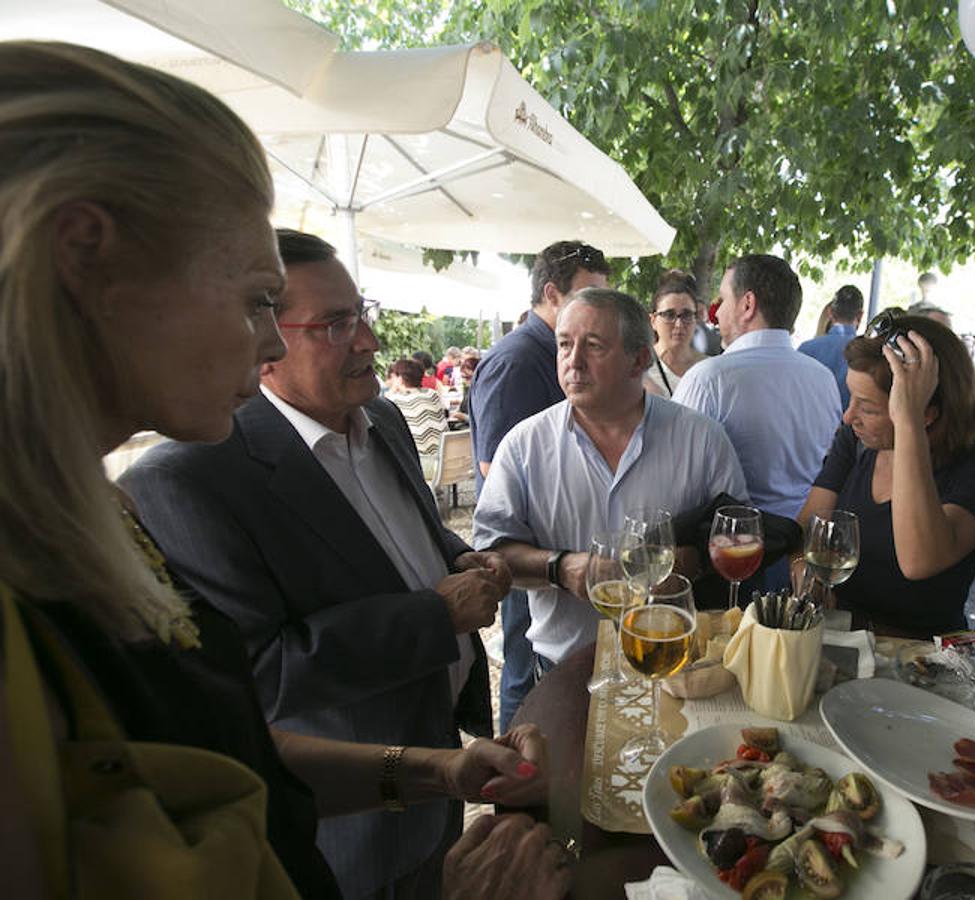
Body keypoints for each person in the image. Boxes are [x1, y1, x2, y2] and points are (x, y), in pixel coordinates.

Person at [0, 40, 567, 900]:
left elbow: (226, 751)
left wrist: (435, 771)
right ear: (84, 254)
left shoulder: (85, 515)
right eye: (253, 300)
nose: (268, 341)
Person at [123, 229, 511, 900]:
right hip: (351, 827)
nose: (369, 340)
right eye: (336, 324)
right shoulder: (189, 477)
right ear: (264, 344)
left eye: (362, 313)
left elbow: (405, 539)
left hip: (441, 779)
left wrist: (460, 557)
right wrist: (437, 614)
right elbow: (262, 674)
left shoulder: (382, 418)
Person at [473, 288, 746, 670]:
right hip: (565, 668)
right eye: (564, 344)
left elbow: (737, 533)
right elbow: (490, 552)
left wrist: (694, 560)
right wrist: (559, 567)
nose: (573, 361)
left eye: (594, 346)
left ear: (640, 360)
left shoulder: (701, 439)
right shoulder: (524, 446)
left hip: (670, 660)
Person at [795, 315, 975, 636]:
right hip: (837, 636)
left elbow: (919, 561)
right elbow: (807, 529)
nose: (848, 416)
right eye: (851, 398)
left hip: (916, 654)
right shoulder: (855, 441)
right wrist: (803, 568)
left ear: (927, 414)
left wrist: (908, 420)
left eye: (868, 408)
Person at [470, 240, 610, 730]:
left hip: (566, 565)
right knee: (524, 670)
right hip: (529, 554)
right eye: (590, 294)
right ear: (552, 294)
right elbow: (494, 466)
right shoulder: (516, 360)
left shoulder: (546, 352)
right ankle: (516, 761)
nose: (599, 308)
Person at [672, 254, 841, 526]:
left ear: (747, 305)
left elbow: (677, 477)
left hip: (732, 541)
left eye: (723, 300)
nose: (717, 313)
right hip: (806, 538)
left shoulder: (708, 380)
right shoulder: (824, 379)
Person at [798, 284, 865, 409]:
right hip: (852, 420)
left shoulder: (806, 350)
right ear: (860, 315)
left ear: (830, 312)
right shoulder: (867, 353)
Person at [642, 269, 706, 398]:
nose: (679, 324)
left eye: (687, 315)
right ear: (653, 321)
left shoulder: (709, 368)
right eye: (669, 315)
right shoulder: (638, 369)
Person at [387, 357, 451, 471]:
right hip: (445, 460)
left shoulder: (396, 400)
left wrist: (393, 389)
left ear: (400, 378)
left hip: (421, 465)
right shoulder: (432, 394)